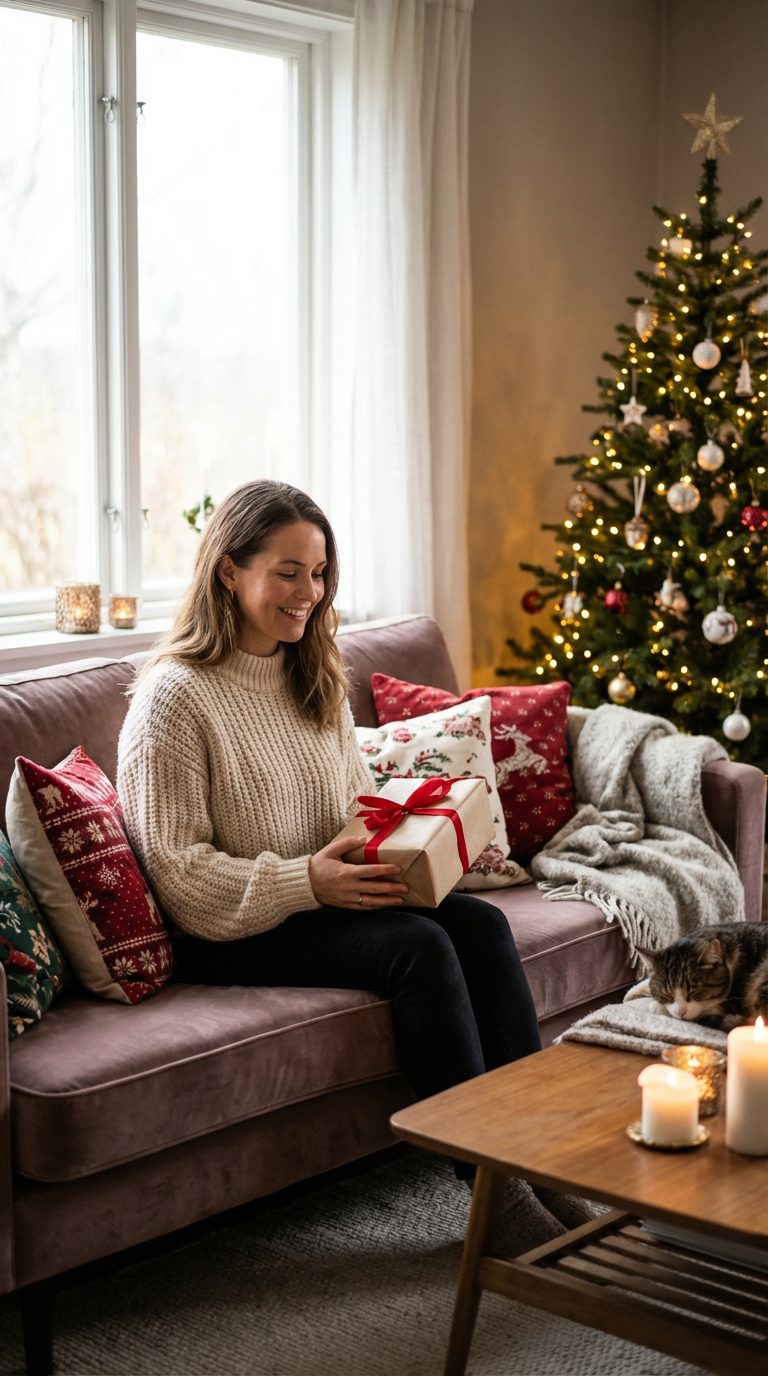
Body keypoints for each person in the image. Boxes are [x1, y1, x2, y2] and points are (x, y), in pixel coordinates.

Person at [118, 480, 590, 1233]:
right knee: (418, 948)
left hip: (325, 895)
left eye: (320, 572)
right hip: (226, 925)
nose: (309, 592)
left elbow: (355, 804)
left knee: (481, 926)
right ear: (227, 572)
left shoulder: (311, 675)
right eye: (287, 571)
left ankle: (533, 1154)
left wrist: (397, 855)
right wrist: (309, 880)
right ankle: (491, 1195)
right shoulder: (174, 698)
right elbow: (178, 877)